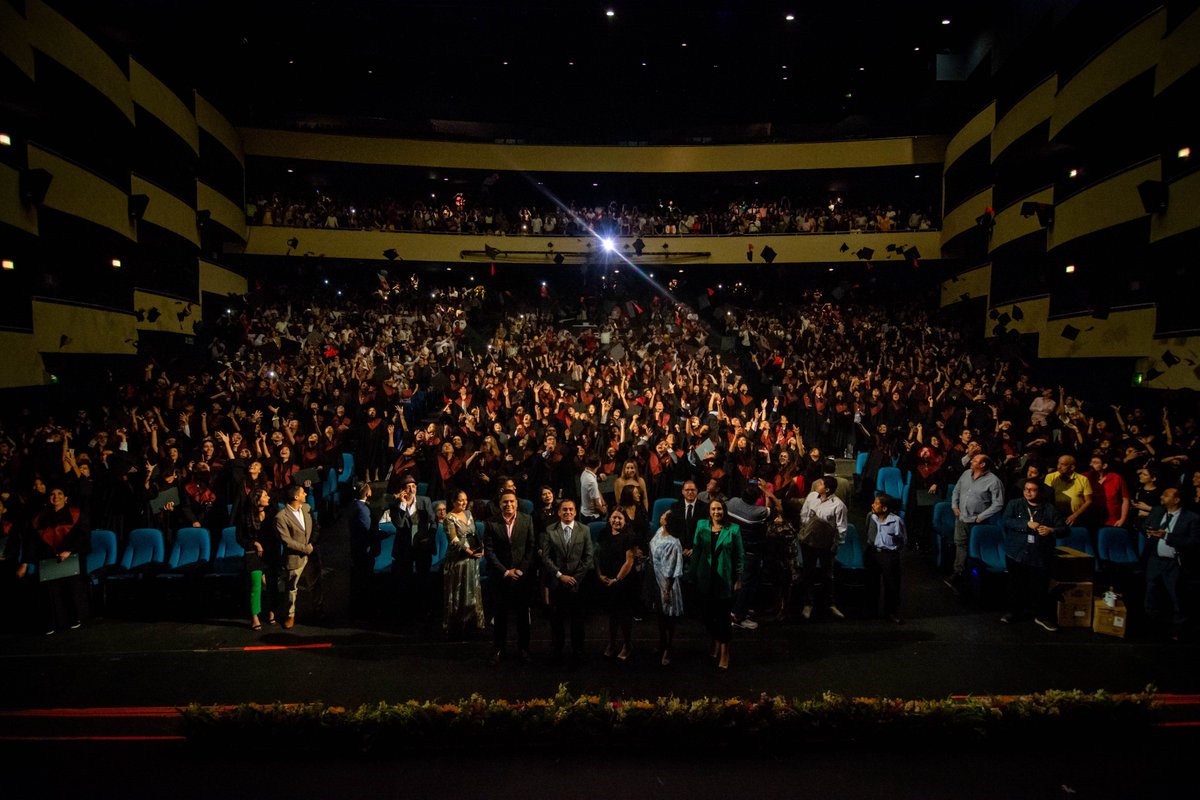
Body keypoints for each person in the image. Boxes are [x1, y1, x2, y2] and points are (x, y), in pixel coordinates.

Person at [19, 487, 89, 635]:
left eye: (59, 494)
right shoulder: (39, 519)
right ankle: (51, 623)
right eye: (52, 494)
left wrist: (70, 551)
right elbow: (31, 543)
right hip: (47, 561)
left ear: (66, 498)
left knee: (72, 588)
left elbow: (84, 537)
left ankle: (74, 618)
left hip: (72, 559)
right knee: (48, 592)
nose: (55, 497)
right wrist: (25, 563)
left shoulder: (76, 514)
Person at [1000, 478, 1067, 631]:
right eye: (1026, 489)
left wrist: (1051, 530)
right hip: (1017, 551)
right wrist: (1026, 524)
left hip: (1039, 554)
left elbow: (1064, 529)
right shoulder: (1015, 504)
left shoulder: (1049, 509)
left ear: (1040, 492)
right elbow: (1006, 521)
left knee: (1039, 586)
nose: (1028, 492)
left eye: (1032, 489)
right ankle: (1014, 612)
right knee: (1016, 584)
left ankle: (1040, 615)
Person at [483, 488, 536, 664]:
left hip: (522, 578)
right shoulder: (491, 523)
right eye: (505, 502)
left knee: (522, 617)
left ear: (516, 503)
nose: (509, 504)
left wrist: (520, 570)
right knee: (500, 617)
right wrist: (505, 572)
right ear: (500, 504)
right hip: (501, 578)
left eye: (512, 501)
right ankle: (499, 650)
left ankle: (524, 650)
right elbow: (489, 552)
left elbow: (531, 548)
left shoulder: (527, 520)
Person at [690, 498, 744, 671]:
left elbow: (739, 555)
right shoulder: (701, 525)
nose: (716, 512)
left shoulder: (733, 529)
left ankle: (724, 652)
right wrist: (691, 573)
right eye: (713, 509)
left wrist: (738, 578)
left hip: (724, 578)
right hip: (705, 577)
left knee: (723, 617)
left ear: (724, 510)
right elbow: (697, 550)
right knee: (708, 615)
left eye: (719, 509)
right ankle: (713, 640)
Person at [541, 497, 594, 667]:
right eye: (564, 510)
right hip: (558, 583)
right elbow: (546, 557)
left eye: (571, 509)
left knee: (578, 621)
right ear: (558, 512)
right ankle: (557, 651)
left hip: (578, 584)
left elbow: (588, 556)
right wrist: (559, 575)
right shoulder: (550, 530)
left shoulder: (584, 530)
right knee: (557, 621)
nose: (568, 512)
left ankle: (578, 652)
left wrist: (575, 578)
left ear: (576, 512)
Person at [1143, 487, 1200, 640]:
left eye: (1166, 495)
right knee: (1152, 592)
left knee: (1176, 596)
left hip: (1175, 563)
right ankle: (1153, 627)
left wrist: (1167, 536)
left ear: (1176, 499)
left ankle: (1178, 630)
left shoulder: (1191, 518)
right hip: (1155, 560)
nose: (1162, 496)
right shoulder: (1157, 511)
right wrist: (1148, 532)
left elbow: (1194, 542)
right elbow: (1145, 525)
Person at [946, 454, 1004, 595]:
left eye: (975, 460)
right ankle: (958, 572)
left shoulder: (993, 481)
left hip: (978, 521)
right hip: (961, 517)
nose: (971, 461)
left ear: (983, 464)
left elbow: (998, 503)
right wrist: (954, 506)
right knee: (960, 544)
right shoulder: (966, 474)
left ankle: (973, 578)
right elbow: (956, 490)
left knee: (973, 549)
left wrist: (981, 516)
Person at [387, 474, 438, 627]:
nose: (412, 489)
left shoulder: (425, 501)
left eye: (414, 486)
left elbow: (433, 521)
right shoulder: (395, 505)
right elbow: (399, 524)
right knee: (405, 581)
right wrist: (402, 505)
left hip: (422, 547)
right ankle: (406, 614)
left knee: (424, 579)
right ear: (402, 490)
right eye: (408, 487)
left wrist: (430, 537)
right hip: (404, 549)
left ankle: (424, 612)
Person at [797, 475, 849, 620]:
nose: (817, 484)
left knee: (828, 574)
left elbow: (841, 528)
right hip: (809, 542)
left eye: (820, 483)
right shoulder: (812, 497)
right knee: (809, 572)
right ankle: (808, 603)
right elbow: (804, 514)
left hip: (826, 545)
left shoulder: (838, 505)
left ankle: (830, 604)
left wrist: (836, 545)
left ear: (826, 489)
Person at [595, 507, 637, 661]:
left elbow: (629, 561)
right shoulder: (603, 533)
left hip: (623, 581)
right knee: (611, 615)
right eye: (614, 517)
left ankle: (627, 644)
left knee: (624, 615)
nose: (616, 521)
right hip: (606, 579)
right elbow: (597, 556)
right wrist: (600, 575)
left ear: (625, 521)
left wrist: (617, 580)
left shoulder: (629, 537)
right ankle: (611, 643)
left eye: (620, 518)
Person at [442, 489, 485, 637]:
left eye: (465, 500)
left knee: (472, 589)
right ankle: (457, 624)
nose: (464, 502)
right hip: (458, 560)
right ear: (453, 501)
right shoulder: (449, 518)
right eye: (460, 500)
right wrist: (468, 551)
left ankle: (472, 622)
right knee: (459, 591)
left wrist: (481, 548)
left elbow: (474, 533)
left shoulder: (468, 514)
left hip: (471, 559)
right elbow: (454, 540)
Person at [274, 484, 317, 629]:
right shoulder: (281, 517)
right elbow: (286, 540)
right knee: (292, 588)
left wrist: (312, 544)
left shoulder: (307, 508)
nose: (306, 494)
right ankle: (290, 614)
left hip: (311, 553)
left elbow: (316, 527)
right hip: (295, 557)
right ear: (296, 497)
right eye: (303, 493)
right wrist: (305, 549)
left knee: (316, 583)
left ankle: (319, 609)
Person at [237, 487, 278, 630]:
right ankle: (255, 616)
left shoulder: (272, 513)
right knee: (256, 585)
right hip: (254, 555)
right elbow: (240, 537)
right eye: (265, 496)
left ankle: (272, 611)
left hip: (271, 553)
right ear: (257, 499)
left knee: (272, 584)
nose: (268, 498)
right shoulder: (245, 516)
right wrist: (253, 543)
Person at [650, 509, 684, 666]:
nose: (661, 516)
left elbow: (670, 570)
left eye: (664, 515)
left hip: (666, 585)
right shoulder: (659, 531)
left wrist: (666, 591)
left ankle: (668, 649)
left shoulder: (672, 542)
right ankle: (662, 642)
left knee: (669, 619)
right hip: (656, 581)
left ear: (667, 521)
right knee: (660, 617)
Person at [865, 493, 906, 624]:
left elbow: (902, 540)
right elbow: (867, 531)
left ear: (884, 508)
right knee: (872, 583)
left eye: (876, 503)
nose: (873, 505)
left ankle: (892, 613)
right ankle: (872, 611)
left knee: (891, 585)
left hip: (889, 555)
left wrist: (893, 551)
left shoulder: (896, 521)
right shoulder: (871, 517)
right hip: (873, 553)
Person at [347, 482, 383, 622]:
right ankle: (364, 613)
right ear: (368, 494)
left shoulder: (354, 506)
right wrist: (383, 534)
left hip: (357, 549)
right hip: (364, 551)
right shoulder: (362, 509)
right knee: (364, 580)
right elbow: (369, 530)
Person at [1044, 455, 1093, 528]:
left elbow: (1088, 501)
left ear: (1072, 467)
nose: (1059, 467)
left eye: (1063, 464)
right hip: (1056, 517)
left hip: (1077, 517)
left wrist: (1075, 515)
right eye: (1058, 463)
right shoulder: (1050, 477)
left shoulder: (1083, 479)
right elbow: (1046, 498)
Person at [1088, 453, 1130, 529]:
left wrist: (1122, 519)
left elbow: (1125, 499)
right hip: (1091, 520)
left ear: (1104, 466)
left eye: (1096, 463)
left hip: (1112, 520)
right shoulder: (1086, 478)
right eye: (1091, 462)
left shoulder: (1116, 478)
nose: (1091, 465)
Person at [578, 454, 606, 523]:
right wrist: (604, 511)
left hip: (585, 513)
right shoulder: (591, 481)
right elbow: (596, 505)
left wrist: (603, 503)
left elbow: (596, 490)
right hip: (591, 517)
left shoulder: (585, 472)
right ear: (599, 464)